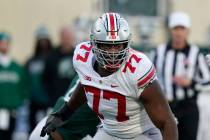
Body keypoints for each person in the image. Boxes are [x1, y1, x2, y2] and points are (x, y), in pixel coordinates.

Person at [41, 13, 178, 140]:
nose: (113, 53)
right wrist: (65, 113)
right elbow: (86, 85)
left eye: (118, 46)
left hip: (142, 133)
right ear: (94, 44)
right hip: (110, 132)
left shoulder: (137, 68)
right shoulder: (83, 58)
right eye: (107, 46)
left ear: (127, 43)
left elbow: (167, 121)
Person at [151, 12, 210, 140]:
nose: (178, 33)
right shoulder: (159, 52)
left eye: (182, 28)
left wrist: (191, 83)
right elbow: (150, 77)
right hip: (166, 106)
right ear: (170, 30)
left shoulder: (196, 53)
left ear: (188, 31)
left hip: (188, 106)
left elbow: (207, 81)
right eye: (175, 28)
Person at [29, 75, 100, 140]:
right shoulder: (96, 88)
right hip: (56, 132)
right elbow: (59, 131)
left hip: (54, 123)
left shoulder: (92, 69)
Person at [0, 32, 30, 140]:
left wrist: (20, 104)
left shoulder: (17, 68)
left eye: (6, 43)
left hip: (13, 111)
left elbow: (24, 88)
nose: (4, 45)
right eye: (1, 43)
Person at [25, 26, 53, 132]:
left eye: (45, 40)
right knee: (33, 129)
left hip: (49, 101)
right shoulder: (31, 61)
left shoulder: (53, 58)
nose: (43, 43)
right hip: (34, 101)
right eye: (40, 40)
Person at [43, 26, 76, 107]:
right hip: (54, 101)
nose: (67, 39)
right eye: (65, 37)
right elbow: (46, 78)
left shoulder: (78, 55)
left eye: (68, 37)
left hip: (73, 101)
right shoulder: (52, 56)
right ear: (60, 37)